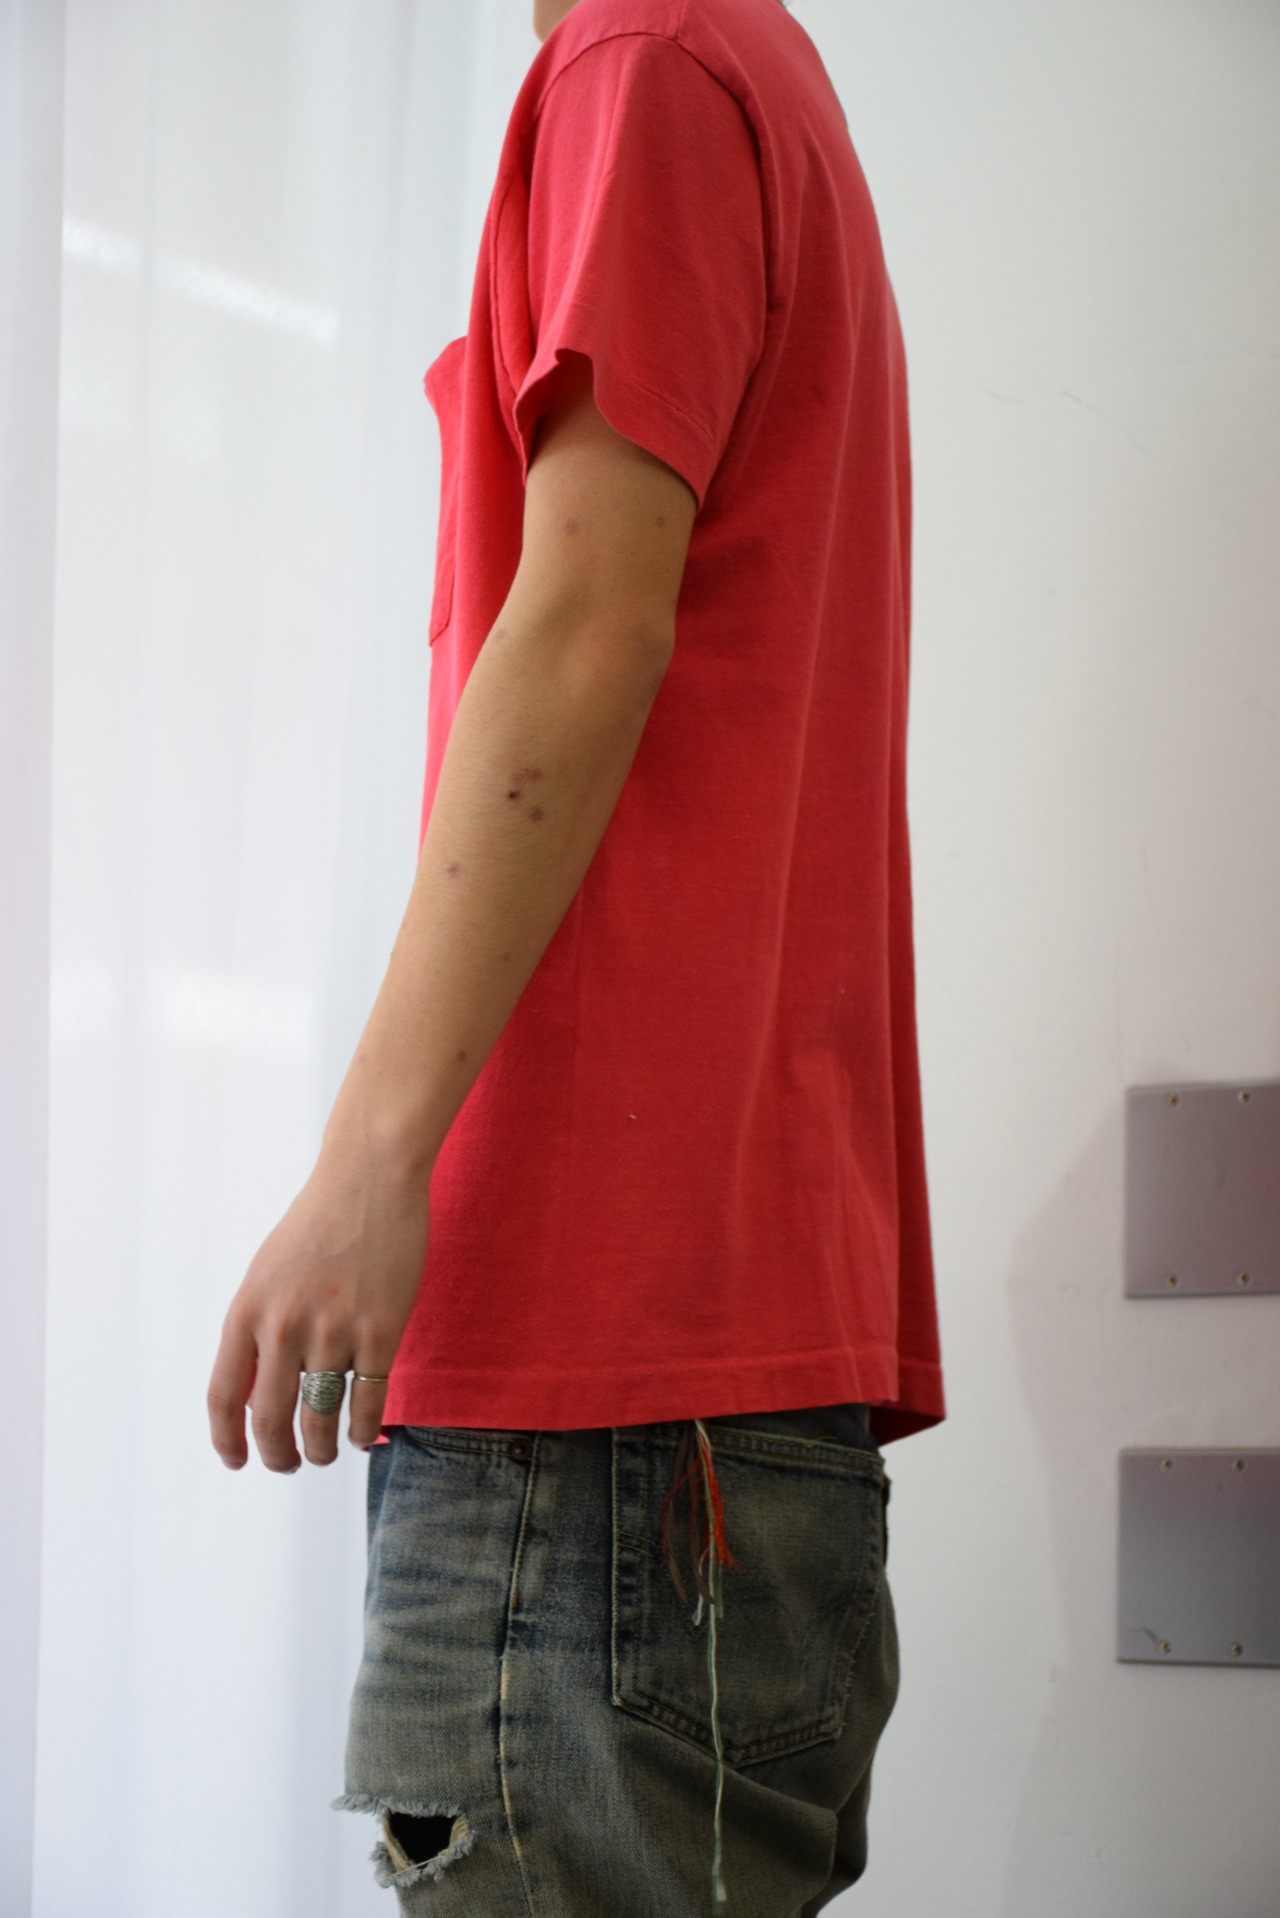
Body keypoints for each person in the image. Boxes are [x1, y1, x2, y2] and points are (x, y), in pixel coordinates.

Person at [207, 0, 947, 1909]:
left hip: (596, 1404)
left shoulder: (646, 64)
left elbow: (589, 619)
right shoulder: (748, 74)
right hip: (719, 1390)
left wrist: (370, 1156)